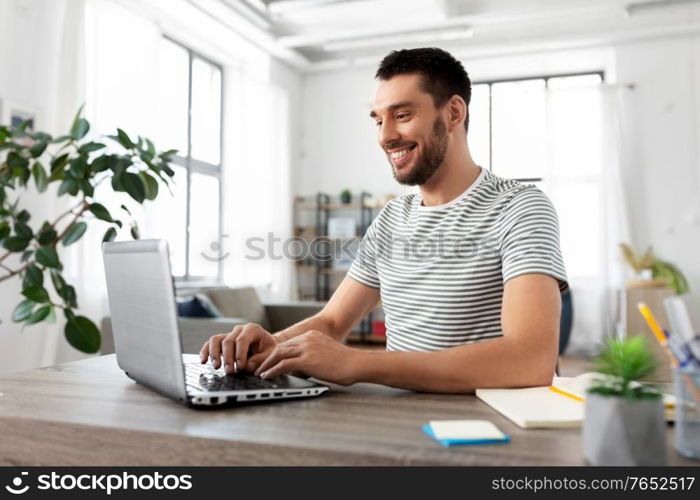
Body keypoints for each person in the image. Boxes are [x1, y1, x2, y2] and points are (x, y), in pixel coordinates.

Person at [200, 47, 569, 393]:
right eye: (379, 119)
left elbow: (530, 360)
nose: (386, 136)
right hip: (397, 419)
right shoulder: (392, 218)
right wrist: (272, 344)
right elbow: (331, 323)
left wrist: (360, 363)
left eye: (403, 115)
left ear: (454, 113)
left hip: (486, 426)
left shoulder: (519, 208)